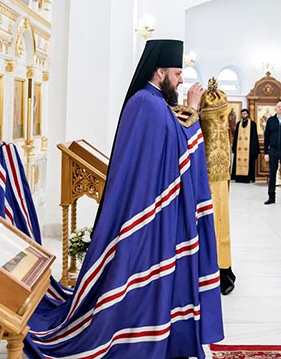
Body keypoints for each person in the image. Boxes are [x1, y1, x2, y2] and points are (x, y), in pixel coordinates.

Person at [26, 39, 223, 358]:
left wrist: (190, 112)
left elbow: (172, 139)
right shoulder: (147, 104)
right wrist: (195, 110)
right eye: (177, 73)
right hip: (148, 214)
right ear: (160, 71)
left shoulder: (151, 101)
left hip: (155, 209)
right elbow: (180, 148)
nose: (181, 80)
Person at [200, 79, 237, 296]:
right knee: (218, 223)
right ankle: (221, 269)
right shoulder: (222, 127)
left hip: (212, 176)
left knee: (215, 223)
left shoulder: (198, 121)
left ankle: (217, 269)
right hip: (214, 177)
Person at [231, 108, 260, 183]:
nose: (243, 115)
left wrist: (254, 149)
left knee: (250, 163)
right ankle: (239, 178)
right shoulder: (238, 124)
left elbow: (254, 137)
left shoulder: (252, 124)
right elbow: (236, 136)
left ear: (248, 114)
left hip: (249, 148)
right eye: (242, 114)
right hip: (239, 148)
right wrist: (234, 147)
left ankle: (249, 178)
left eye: (245, 114)